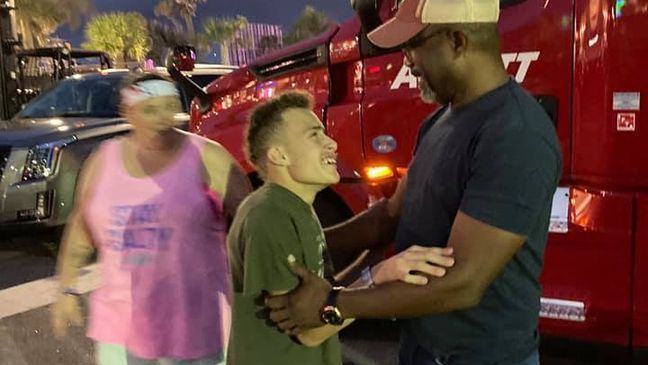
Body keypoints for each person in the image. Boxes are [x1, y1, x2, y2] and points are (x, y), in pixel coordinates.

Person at [264, 1, 563, 365]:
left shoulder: (515, 133)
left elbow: (462, 282)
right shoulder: (439, 121)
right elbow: (389, 217)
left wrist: (331, 305)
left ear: (456, 40)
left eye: (414, 44)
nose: (406, 60)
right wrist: (306, 243)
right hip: (421, 346)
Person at [227, 91, 455, 365]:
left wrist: (376, 254)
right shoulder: (269, 216)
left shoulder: (295, 208)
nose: (331, 144)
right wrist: (379, 274)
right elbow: (309, 328)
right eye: (314, 136)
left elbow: (324, 293)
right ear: (279, 155)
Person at [52, 73, 252, 365]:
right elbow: (82, 229)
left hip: (196, 332)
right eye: (149, 109)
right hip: (121, 330)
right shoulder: (102, 161)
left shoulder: (209, 158)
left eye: (169, 107)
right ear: (127, 112)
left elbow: (252, 223)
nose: (162, 119)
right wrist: (66, 288)